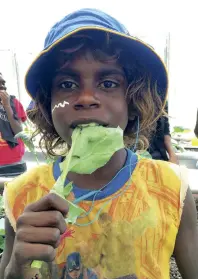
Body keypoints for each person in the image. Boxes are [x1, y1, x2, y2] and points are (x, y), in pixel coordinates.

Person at [0, 9, 197, 279]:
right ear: (48, 106)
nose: (87, 98)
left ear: (132, 101)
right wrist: (18, 266)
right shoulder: (22, 195)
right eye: (67, 84)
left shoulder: (171, 188)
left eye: (108, 82)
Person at [0, 73, 27, 175]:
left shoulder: (13, 102)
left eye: (3, 83)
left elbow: (19, 131)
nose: (3, 86)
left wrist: (7, 105)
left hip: (14, 163)